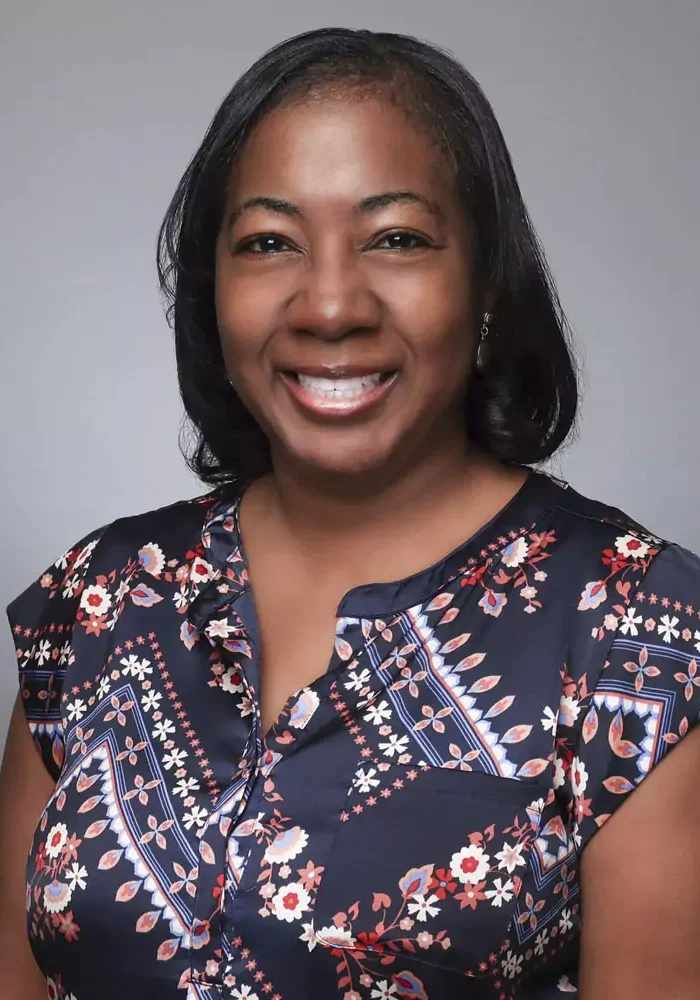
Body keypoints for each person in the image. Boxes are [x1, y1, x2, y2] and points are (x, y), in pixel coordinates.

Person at [1, 25, 698, 1000]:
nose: (330, 305)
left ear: (486, 287)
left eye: (397, 239)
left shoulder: (636, 630)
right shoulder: (101, 600)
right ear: (216, 291)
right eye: (269, 242)